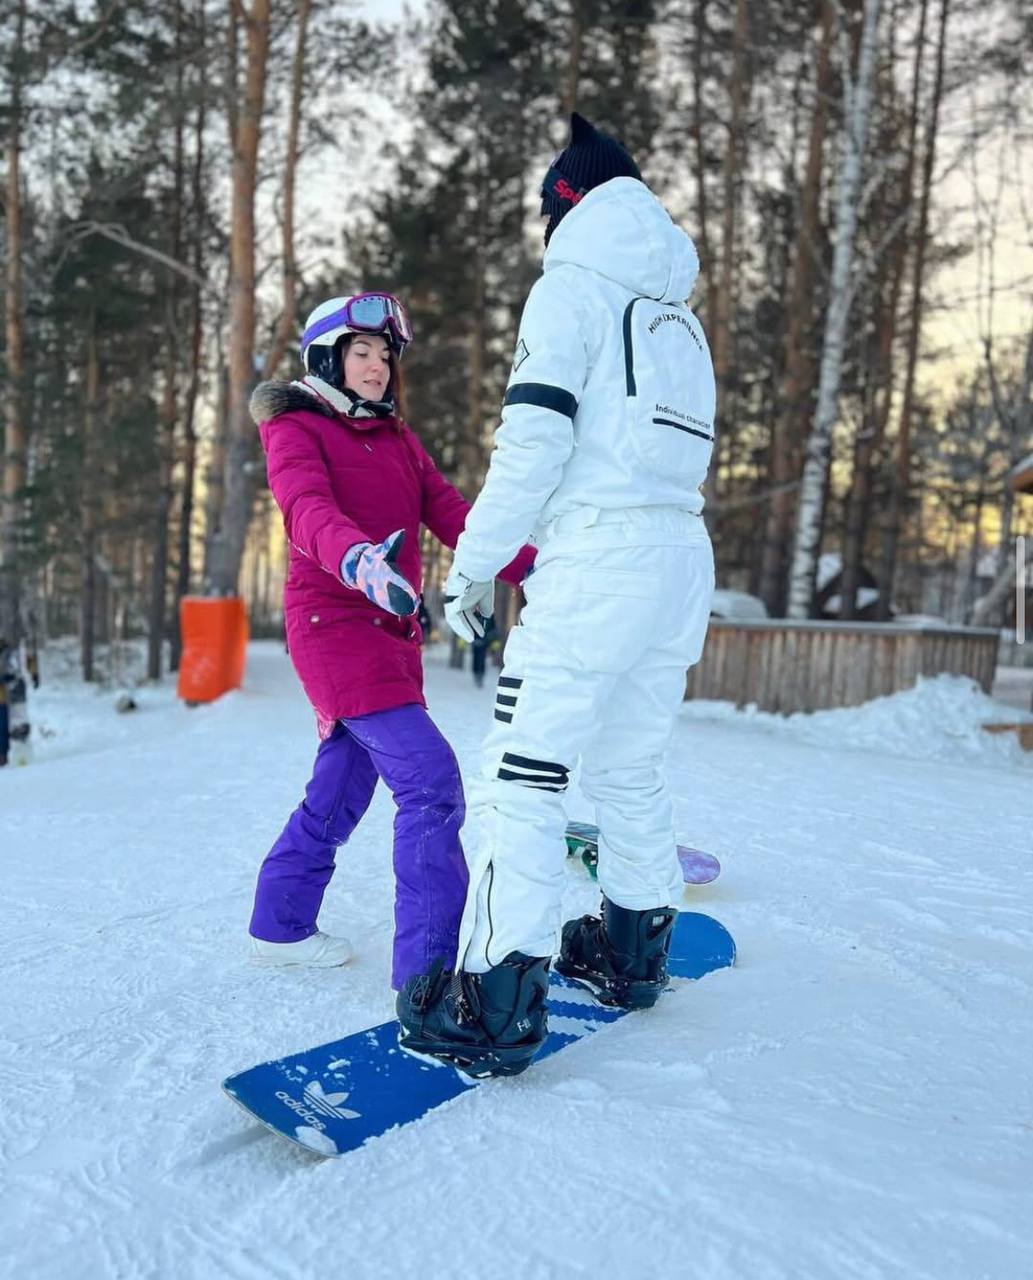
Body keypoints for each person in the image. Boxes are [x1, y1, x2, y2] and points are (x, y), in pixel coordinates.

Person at [396, 114, 716, 1077]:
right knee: (629, 766)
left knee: (519, 778)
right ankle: (631, 953)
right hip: (678, 559)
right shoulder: (677, 319)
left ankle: (494, 1005)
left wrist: (471, 566)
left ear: (565, 206)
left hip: (598, 562)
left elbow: (533, 444)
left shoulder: (569, 291)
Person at [248, 292, 535, 989]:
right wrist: (356, 560)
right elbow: (305, 508)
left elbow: (456, 517)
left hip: (393, 632)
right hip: (334, 626)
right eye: (361, 352)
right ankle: (428, 979)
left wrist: (539, 567)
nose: (377, 367)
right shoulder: (296, 426)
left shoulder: (397, 438)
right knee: (431, 784)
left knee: (341, 788)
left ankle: (279, 926)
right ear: (328, 358)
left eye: (384, 355)